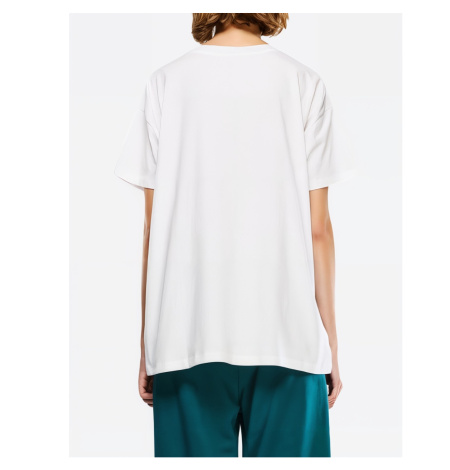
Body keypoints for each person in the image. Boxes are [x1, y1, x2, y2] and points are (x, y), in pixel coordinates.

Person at [114, 13, 355, 457]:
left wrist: (149, 342)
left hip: (186, 340)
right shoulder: (303, 83)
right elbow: (318, 230)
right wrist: (330, 343)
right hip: (288, 340)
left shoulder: (165, 83)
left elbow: (153, 228)